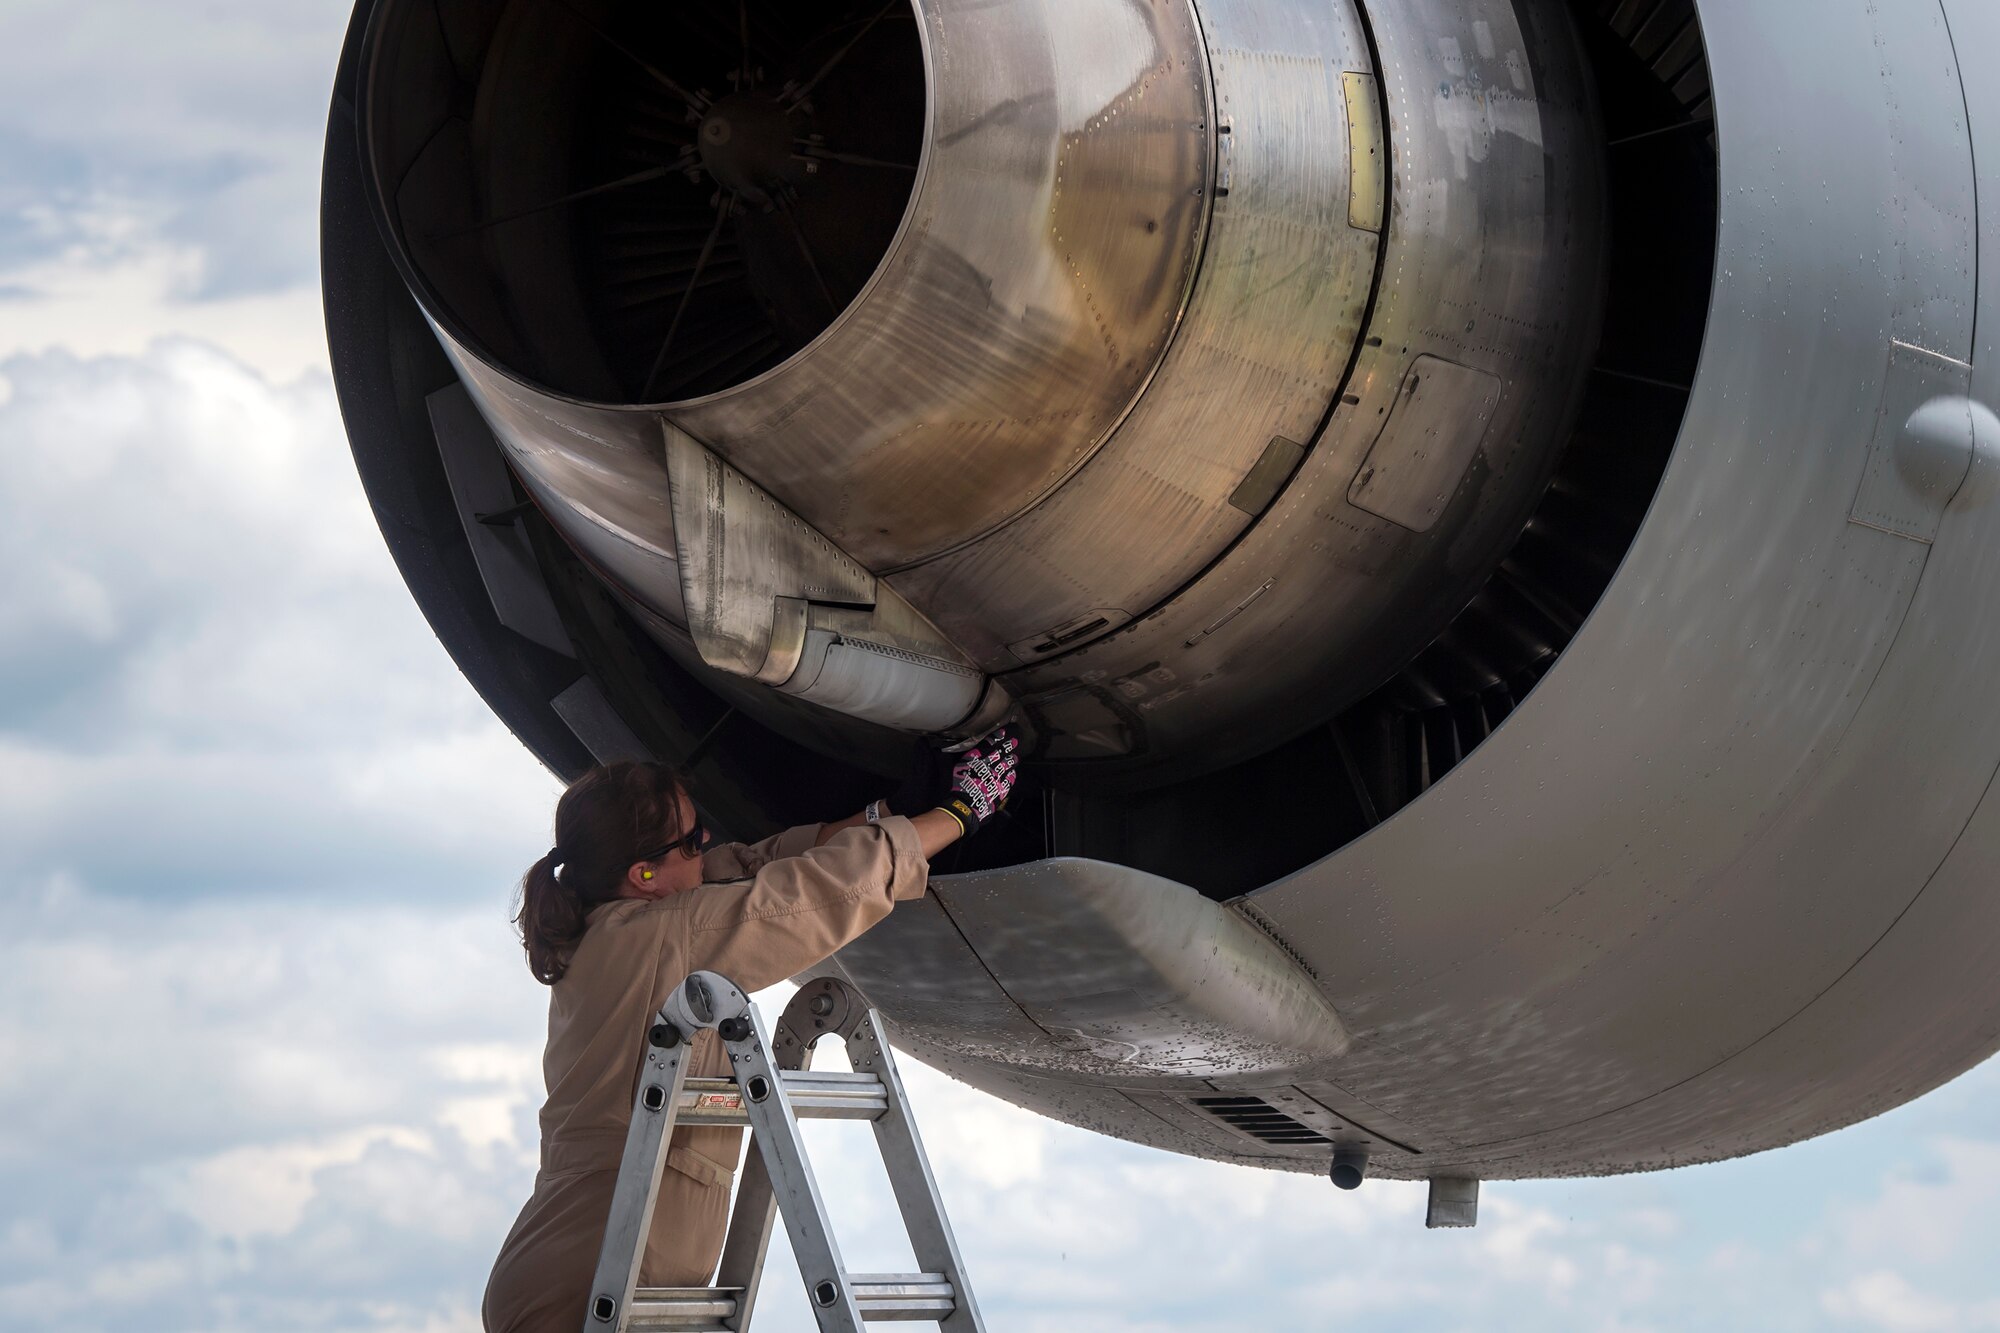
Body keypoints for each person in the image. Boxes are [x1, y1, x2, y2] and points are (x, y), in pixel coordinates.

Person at [481, 728, 1020, 1333]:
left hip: (579, 1269)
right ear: (643, 876)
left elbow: (744, 866)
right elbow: (809, 896)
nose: (704, 843)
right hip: (594, 1280)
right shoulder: (665, 935)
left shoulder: (611, 927)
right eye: (688, 842)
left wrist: (887, 813)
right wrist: (958, 813)